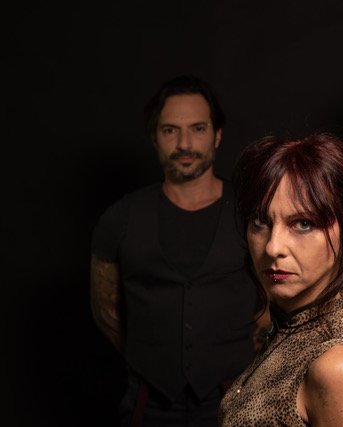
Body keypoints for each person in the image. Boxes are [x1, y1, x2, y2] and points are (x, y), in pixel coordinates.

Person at [90, 75, 266, 427]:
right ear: (154, 137)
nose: (185, 144)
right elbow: (105, 312)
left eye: (198, 128)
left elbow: (271, 303)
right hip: (148, 399)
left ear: (217, 135)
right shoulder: (119, 218)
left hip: (235, 396)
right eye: (170, 130)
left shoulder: (251, 213)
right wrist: (152, 358)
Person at [219, 133, 343, 426]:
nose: (273, 247)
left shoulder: (337, 367)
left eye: (302, 223)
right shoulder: (290, 327)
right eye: (260, 221)